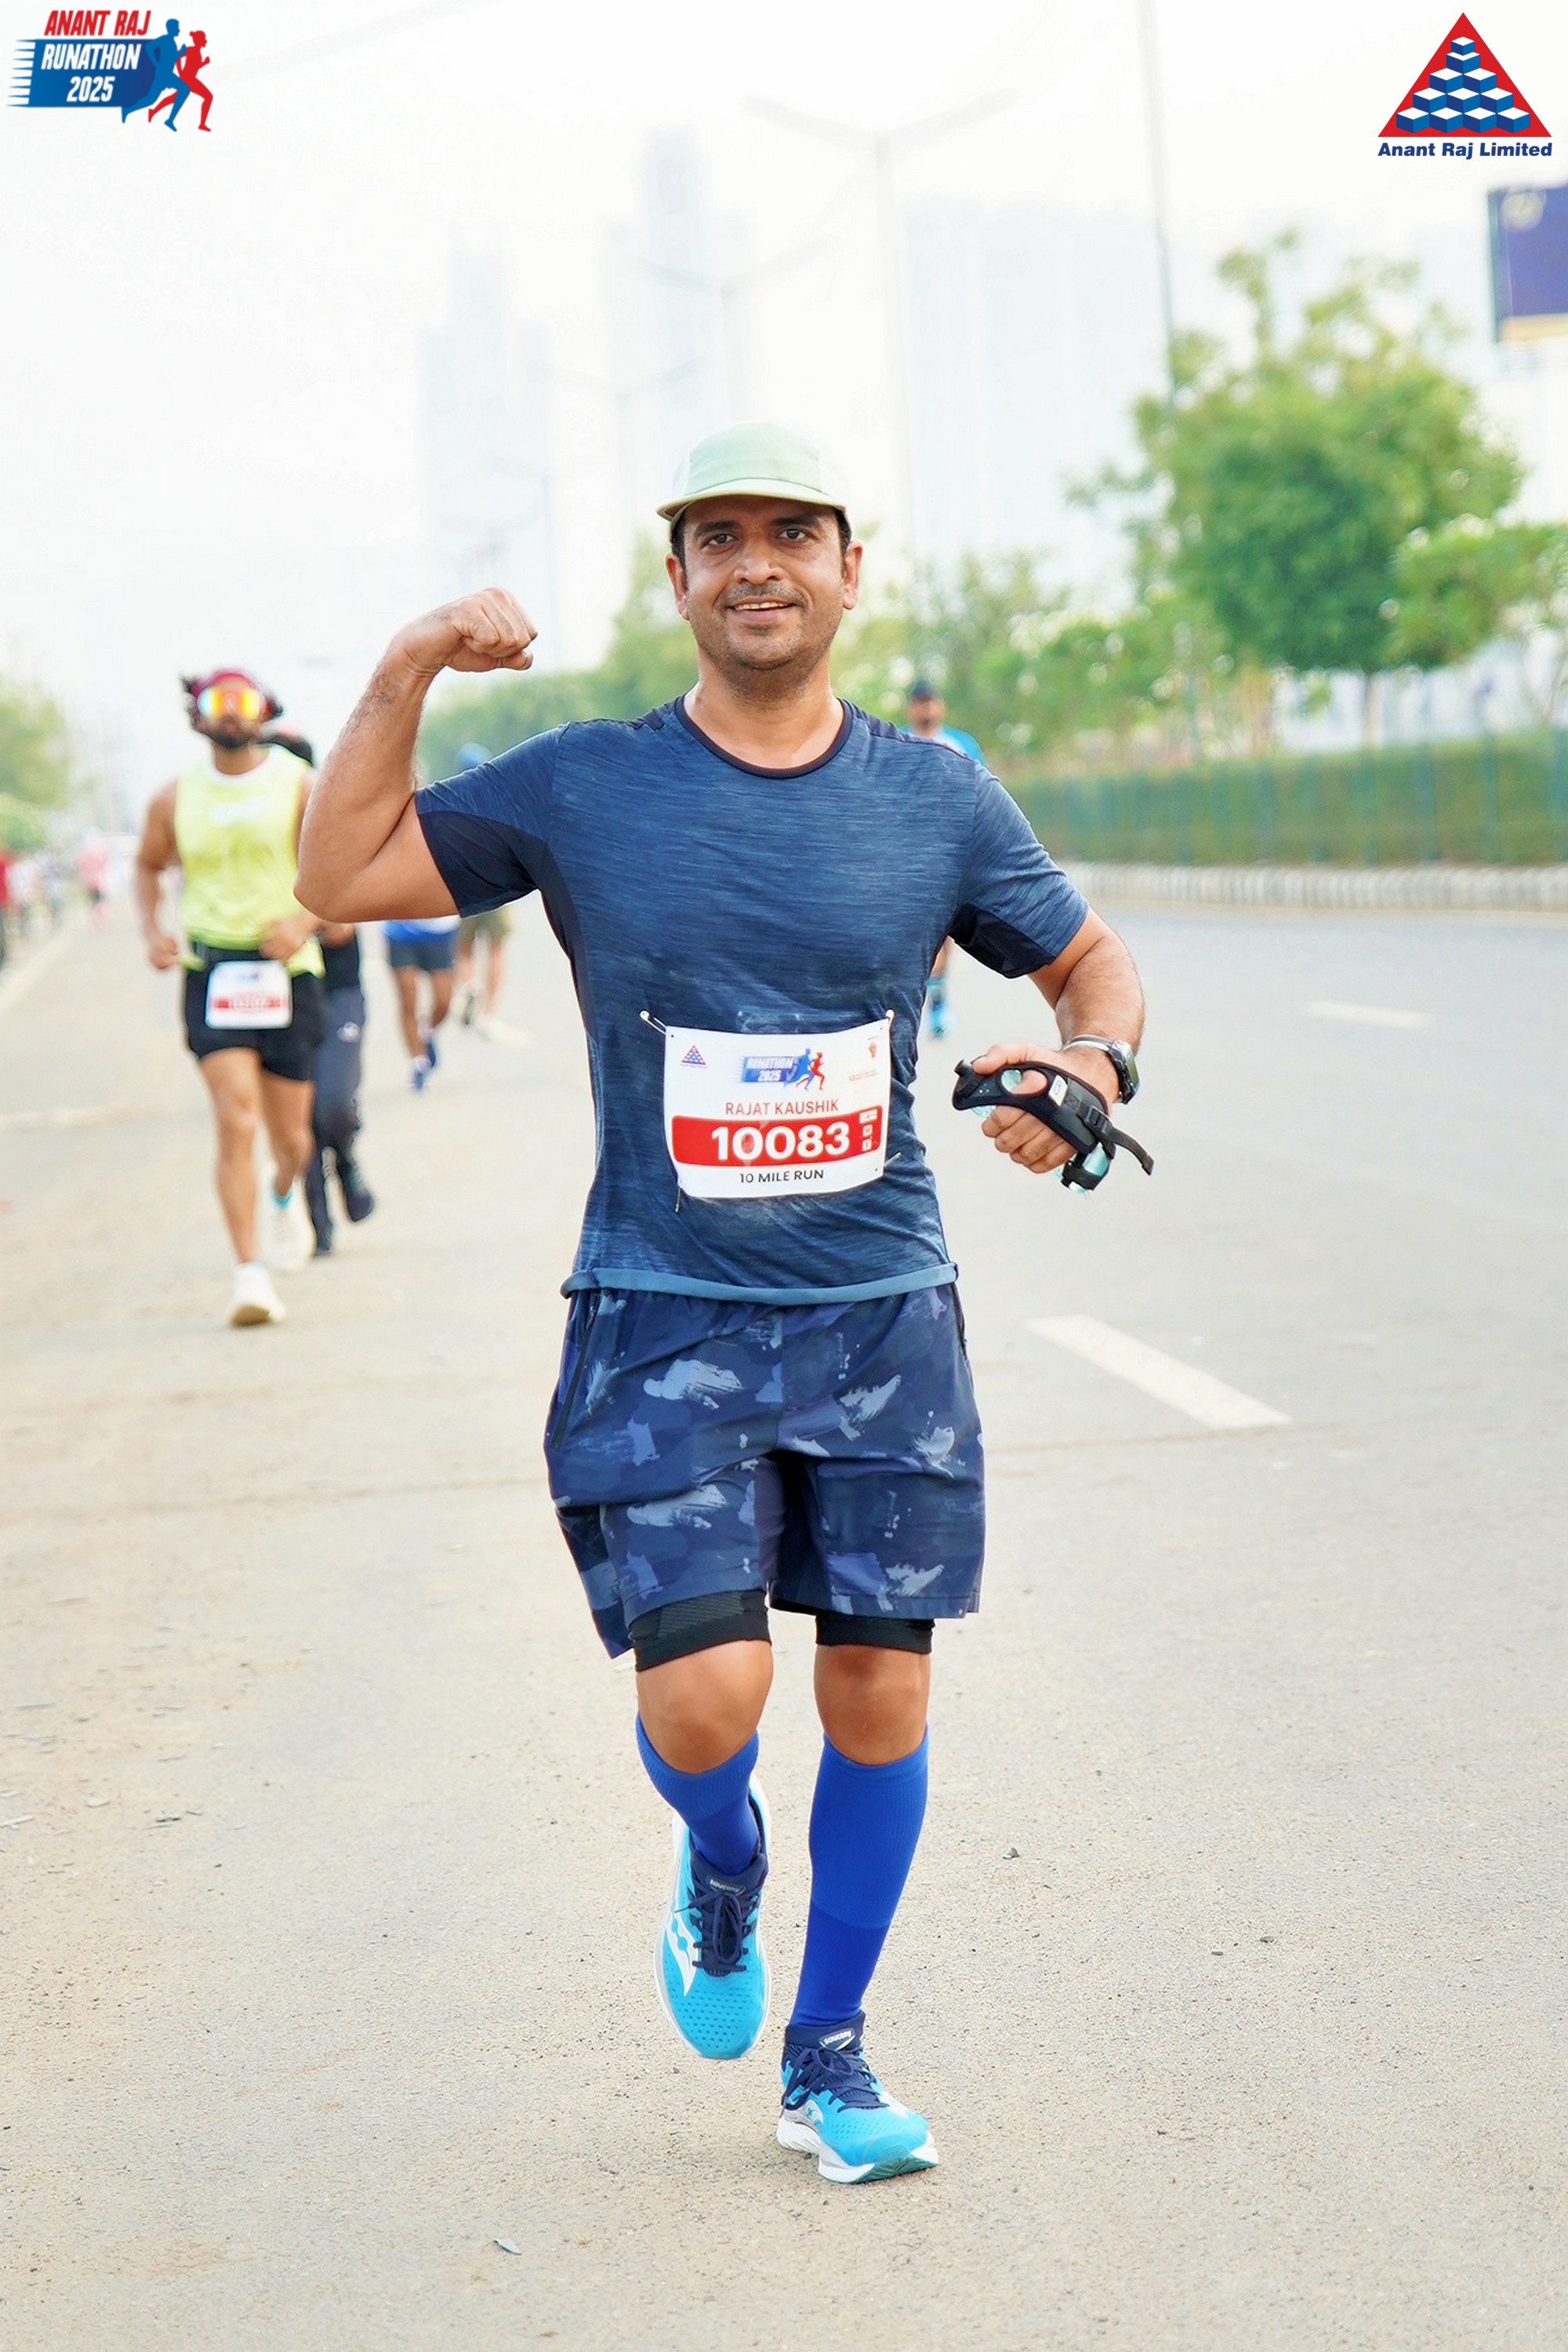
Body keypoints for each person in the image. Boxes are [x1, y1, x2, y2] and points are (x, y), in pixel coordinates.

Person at [296, 421, 1145, 2184]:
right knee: (706, 1706)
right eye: (721, 537)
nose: (759, 563)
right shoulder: (584, 787)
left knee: (881, 1701)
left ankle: (828, 2055)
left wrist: (1091, 1065)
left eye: (793, 533)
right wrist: (408, 664)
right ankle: (725, 1860)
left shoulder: (935, 797)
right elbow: (338, 878)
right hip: (663, 1309)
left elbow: (1086, 958)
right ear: (676, 578)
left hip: (882, 1315)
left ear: (849, 569)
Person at [135, 668, 325, 1327]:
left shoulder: (300, 785)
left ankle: (284, 1192)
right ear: (198, 715)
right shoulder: (174, 797)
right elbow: (147, 864)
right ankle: (250, 1276)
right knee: (236, 1118)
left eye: (244, 702)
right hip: (213, 970)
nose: (232, 714)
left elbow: (340, 865)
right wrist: (153, 929)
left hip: (287, 970)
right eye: (219, 702)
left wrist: (304, 922)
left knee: (293, 1139)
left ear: (265, 712)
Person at [258, 728, 377, 1258]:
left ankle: (345, 1160)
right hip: (279, 992)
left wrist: (299, 924)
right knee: (296, 1117)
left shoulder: (332, 834)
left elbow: (342, 925)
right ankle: (318, 1227)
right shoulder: (255, 846)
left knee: (332, 1105)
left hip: (339, 988)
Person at [906, 681, 983, 1041]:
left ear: (941, 706)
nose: (925, 709)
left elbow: (985, 794)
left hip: (949, 854)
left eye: (930, 702)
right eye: (919, 703)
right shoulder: (895, 744)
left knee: (943, 932)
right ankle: (912, 1005)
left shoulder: (961, 745)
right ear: (910, 708)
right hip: (906, 855)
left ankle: (936, 1003)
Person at [449, 744, 514, 1032]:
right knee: (496, 950)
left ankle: (469, 984)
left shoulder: (454, 799)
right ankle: (488, 1014)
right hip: (501, 885)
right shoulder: (501, 799)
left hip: (466, 886)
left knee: (464, 948)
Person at [385, 909, 459, 1087]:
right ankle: (418, 1062)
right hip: (401, 931)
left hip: (440, 931)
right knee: (408, 997)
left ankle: (426, 1030)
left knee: (444, 1002)